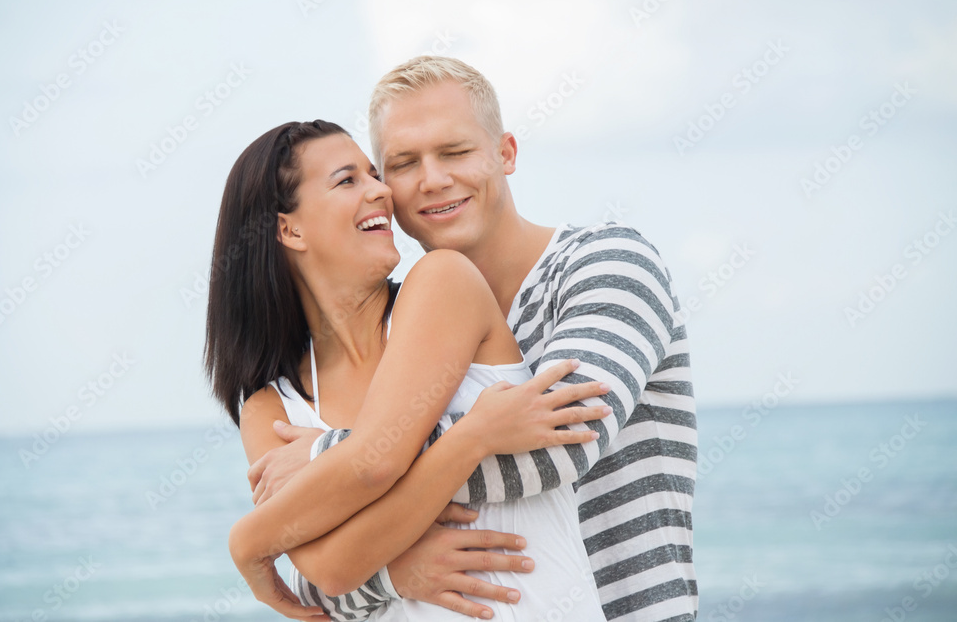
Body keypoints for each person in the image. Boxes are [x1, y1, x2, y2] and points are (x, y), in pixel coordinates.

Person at [251, 57, 698, 622]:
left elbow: (560, 445)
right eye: (404, 163)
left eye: (455, 152)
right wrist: (394, 569)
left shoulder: (607, 263)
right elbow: (313, 586)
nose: (432, 179)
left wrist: (325, 462)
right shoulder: (401, 329)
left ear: (505, 153)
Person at [204, 120, 613, 621]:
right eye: (347, 180)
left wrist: (249, 541)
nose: (382, 192)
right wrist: (473, 438)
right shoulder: (270, 407)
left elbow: (378, 459)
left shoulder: (442, 282)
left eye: (375, 175)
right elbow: (330, 568)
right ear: (289, 228)